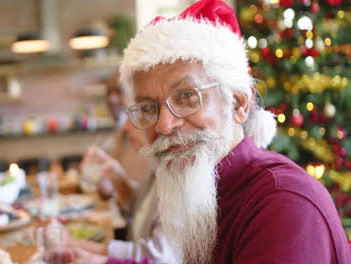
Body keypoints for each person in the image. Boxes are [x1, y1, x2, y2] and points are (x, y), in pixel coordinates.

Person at [114, 0, 351, 263]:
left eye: (187, 96)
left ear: (237, 104)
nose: (163, 125)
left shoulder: (282, 203)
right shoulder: (200, 193)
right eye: (148, 108)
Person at [60, 73, 176, 263]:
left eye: (136, 116)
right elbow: (136, 212)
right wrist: (117, 178)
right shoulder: (155, 163)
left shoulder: (177, 175)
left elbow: (157, 256)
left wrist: (85, 247)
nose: (127, 128)